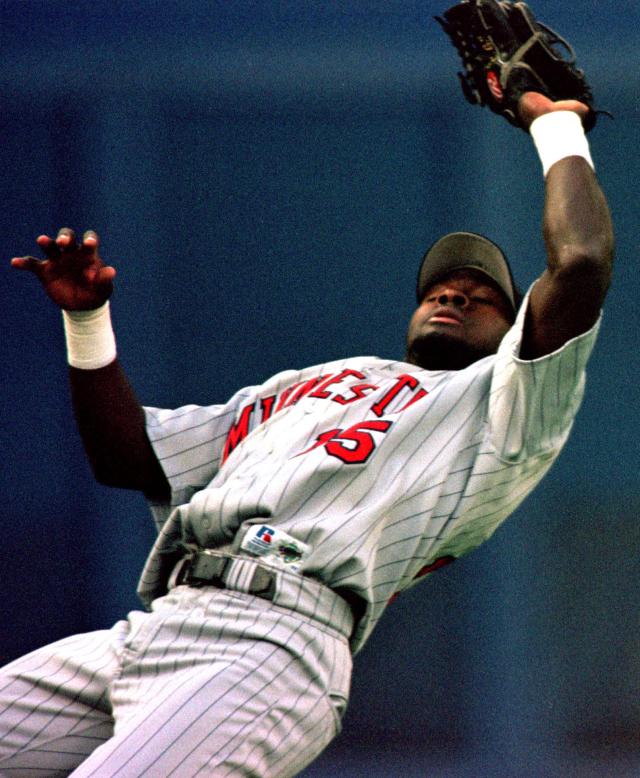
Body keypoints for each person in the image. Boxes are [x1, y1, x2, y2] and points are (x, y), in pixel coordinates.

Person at [1, 90, 613, 776]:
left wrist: (555, 122)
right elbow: (129, 456)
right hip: (153, 624)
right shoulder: (307, 384)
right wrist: (88, 324)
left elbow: (582, 263)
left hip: (275, 645)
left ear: (513, 329)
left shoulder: (504, 409)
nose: (454, 293)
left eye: (485, 294)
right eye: (439, 287)